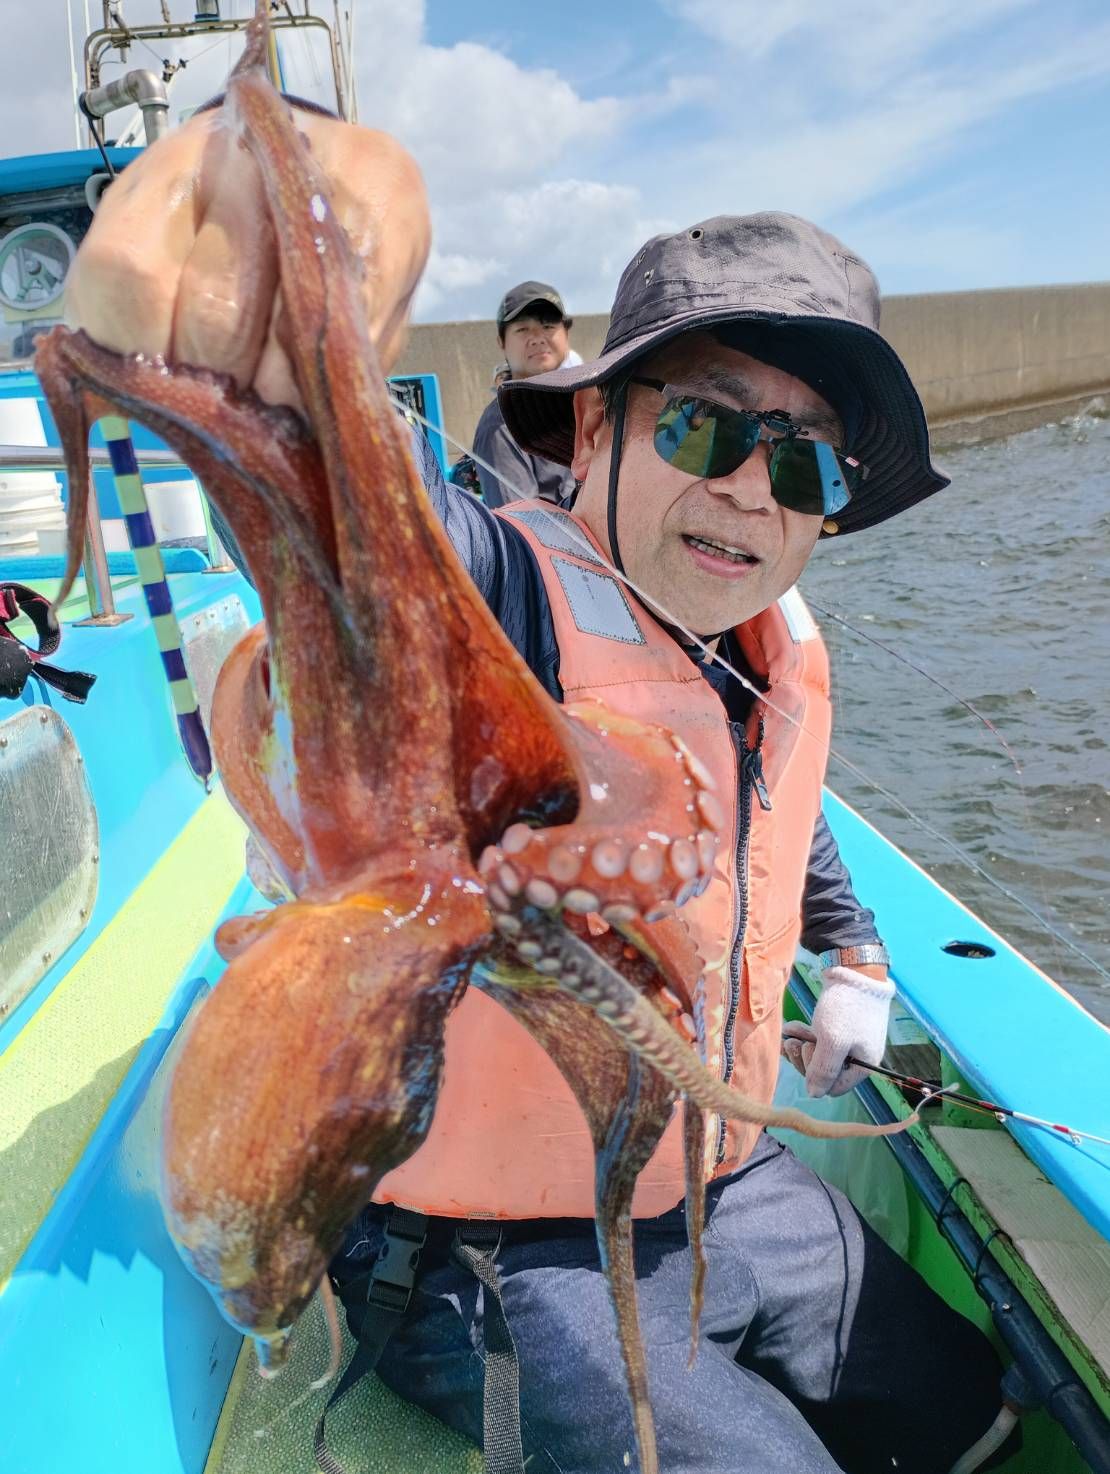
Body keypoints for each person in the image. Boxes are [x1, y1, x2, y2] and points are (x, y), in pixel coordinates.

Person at [66, 102, 1007, 1474]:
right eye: (707, 428)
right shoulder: (504, 587)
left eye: (804, 462)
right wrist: (272, 325)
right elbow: (363, 531)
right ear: (595, 424)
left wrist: (851, 950)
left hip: (722, 1165)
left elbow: (777, 819)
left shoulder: (772, 653)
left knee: (966, 1403)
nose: (755, 491)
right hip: (492, 1252)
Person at [472, 281, 579, 508]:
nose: (537, 338)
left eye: (548, 326)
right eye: (522, 329)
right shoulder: (500, 426)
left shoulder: (586, 401)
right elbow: (522, 523)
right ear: (501, 342)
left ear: (566, 333)